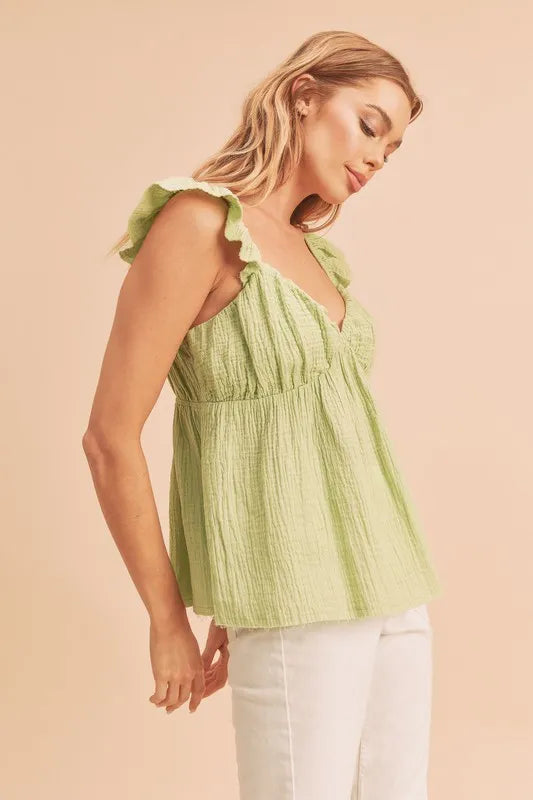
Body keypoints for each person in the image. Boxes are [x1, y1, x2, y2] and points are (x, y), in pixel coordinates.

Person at [83, 29, 442, 800]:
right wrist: (167, 617)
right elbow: (109, 438)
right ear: (303, 94)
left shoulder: (316, 254)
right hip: (294, 598)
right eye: (369, 125)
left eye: (391, 148)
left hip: (391, 582)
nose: (377, 157)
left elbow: (302, 436)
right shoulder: (198, 223)